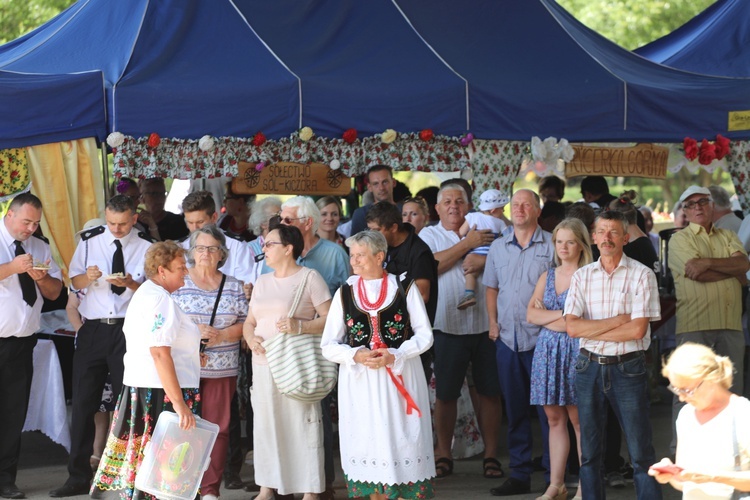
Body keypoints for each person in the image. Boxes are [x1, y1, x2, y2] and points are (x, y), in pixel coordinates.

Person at [321, 230, 436, 499]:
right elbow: (328, 344)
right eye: (352, 255)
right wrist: (356, 355)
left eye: (360, 255)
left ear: (380, 256)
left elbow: (425, 335)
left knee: (400, 438)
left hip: (400, 376)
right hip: (361, 382)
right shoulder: (345, 292)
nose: (355, 261)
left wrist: (396, 354)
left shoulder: (404, 287)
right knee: (367, 440)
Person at [51, 195, 153, 498]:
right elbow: (74, 283)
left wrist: (132, 284)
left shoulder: (146, 245)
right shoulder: (89, 241)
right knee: (83, 402)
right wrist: (88, 277)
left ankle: (126, 474)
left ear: (134, 219)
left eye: (122, 224)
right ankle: (78, 475)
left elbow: (153, 290)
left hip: (128, 328)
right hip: (94, 329)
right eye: (111, 223)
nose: (116, 229)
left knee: (130, 403)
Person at [90, 241, 201, 499]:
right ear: (162, 271)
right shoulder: (159, 300)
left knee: (146, 464)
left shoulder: (149, 294)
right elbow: (159, 352)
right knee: (164, 467)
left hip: (149, 388)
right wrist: (179, 404)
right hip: (159, 393)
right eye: (180, 267)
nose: (185, 271)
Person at [565, 210, 663, 500]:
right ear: (593, 238)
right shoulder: (582, 276)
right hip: (588, 368)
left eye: (613, 232)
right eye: (602, 232)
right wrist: (618, 321)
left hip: (628, 368)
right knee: (590, 454)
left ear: (626, 237)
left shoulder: (642, 274)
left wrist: (591, 330)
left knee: (641, 452)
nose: (607, 238)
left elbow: (637, 331)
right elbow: (571, 328)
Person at [419, 184, 503, 481]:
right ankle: (444, 454)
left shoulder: (488, 226)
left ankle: (491, 455)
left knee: (491, 393)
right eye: (447, 202)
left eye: (459, 201)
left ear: (469, 207)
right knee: (446, 394)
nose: (454, 206)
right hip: (447, 327)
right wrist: (469, 244)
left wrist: (482, 256)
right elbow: (431, 266)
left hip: (487, 325)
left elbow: (505, 260)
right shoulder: (428, 235)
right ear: (437, 209)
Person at [243, 225, 331, 500]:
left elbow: (330, 319)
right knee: (267, 425)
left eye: (269, 244)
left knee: (302, 424)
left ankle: (310, 490)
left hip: (296, 362)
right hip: (263, 362)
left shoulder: (309, 277)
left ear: (288, 248)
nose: (264, 248)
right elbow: (250, 322)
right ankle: (267, 487)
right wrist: (251, 339)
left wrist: (300, 326)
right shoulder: (262, 280)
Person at [484, 189, 554, 497]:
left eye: (527, 204)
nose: (520, 208)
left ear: (538, 210)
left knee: (550, 412)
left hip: (543, 341)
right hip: (507, 340)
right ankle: (520, 474)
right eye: (515, 205)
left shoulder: (554, 244)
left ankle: (556, 475)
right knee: (515, 411)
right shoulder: (498, 247)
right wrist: (492, 322)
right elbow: (490, 288)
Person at [172, 225, 248, 500]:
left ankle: (209, 490)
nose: (205, 253)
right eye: (200, 248)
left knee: (218, 428)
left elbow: (247, 324)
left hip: (222, 368)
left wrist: (222, 334)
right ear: (192, 252)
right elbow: (166, 324)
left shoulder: (234, 286)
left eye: (212, 248)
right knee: (182, 425)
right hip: (183, 368)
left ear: (221, 254)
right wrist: (195, 334)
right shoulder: (180, 282)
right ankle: (179, 485)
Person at [0, 193, 63, 500]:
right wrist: (11, 267)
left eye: (35, 223)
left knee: (13, 413)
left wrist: (40, 279)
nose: (30, 228)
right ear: (9, 214)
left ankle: (5, 480)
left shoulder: (41, 246)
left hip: (22, 342)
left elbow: (54, 293)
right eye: (26, 221)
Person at [527, 218, 592, 500]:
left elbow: (581, 322)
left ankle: (586, 486)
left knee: (579, 421)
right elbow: (531, 315)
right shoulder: (548, 276)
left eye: (570, 241)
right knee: (554, 419)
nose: (563, 247)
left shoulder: (590, 275)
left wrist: (551, 317)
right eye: (559, 241)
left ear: (581, 245)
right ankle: (557, 484)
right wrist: (563, 317)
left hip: (578, 350)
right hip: (548, 352)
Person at [650, 343, 750, 499]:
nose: (682, 398)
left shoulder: (742, 412)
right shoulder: (686, 415)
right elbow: (685, 483)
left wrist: (712, 477)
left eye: (686, 390)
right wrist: (671, 475)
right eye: (676, 390)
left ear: (711, 379)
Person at [365, 201, 437, 325]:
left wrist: (388, 283)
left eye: (376, 230)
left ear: (393, 227)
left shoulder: (419, 252)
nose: (372, 235)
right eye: (369, 230)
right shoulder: (382, 246)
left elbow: (423, 295)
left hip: (412, 331)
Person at [181, 190, 254, 285]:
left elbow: (246, 284)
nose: (195, 228)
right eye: (190, 222)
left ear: (214, 217)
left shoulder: (237, 246)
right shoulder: (180, 247)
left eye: (200, 222)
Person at [457, 189, 509, 310]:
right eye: (502, 208)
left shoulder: (472, 217)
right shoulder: (500, 223)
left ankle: (469, 293)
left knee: (470, 273)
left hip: (474, 253)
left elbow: (461, 232)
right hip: (491, 256)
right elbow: (508, 237)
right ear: (493, 210)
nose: (503, 212)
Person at [350, 165, 398, 235]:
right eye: (375, 184)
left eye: (385, 182)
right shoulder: (360, 214)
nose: (381, 188)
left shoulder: (405, 211)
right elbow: (355, 244)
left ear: (393, 182)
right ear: (369, 187)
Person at [137, 177, 189, 241]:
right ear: (142, 198)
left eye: (162, 193)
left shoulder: (177, 222)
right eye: (154, 194)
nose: (160, 198)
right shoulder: (136, 223)